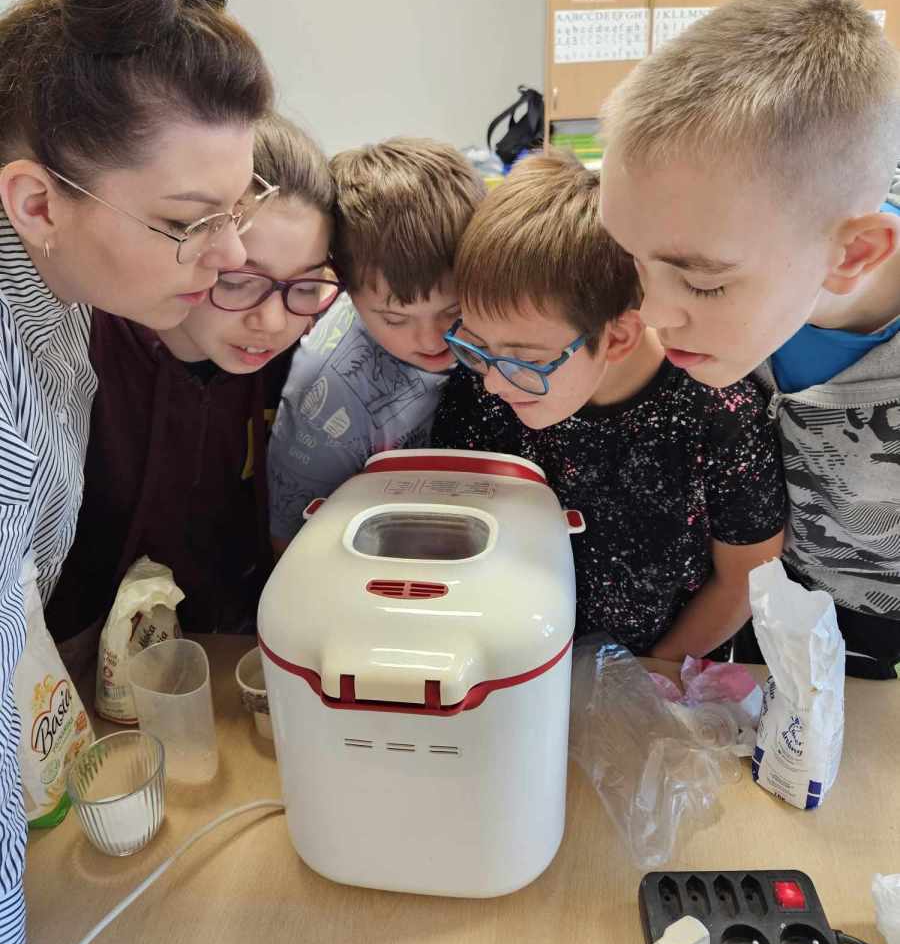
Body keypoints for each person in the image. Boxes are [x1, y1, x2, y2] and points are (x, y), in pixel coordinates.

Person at [0, 0, 273, 944]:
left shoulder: (61, 288)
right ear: (36, 202)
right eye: (186, 222)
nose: (234, 256)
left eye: (240, 207)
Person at [600, 0, 900, 676]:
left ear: (852, 255)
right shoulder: (736, 245)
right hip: (753, 614)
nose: (651, 315)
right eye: (633, 259)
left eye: (704, 282)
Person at [432, 152, 785, 657]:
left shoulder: (719, 416)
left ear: (618, 336)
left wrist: (654, 672)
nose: (492, 383)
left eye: (526, 360)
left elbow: (745, 577)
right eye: (476, 345)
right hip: (518, 655)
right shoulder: (479, 392)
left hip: (667, 662)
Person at [47, 114, 338, 654]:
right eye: (239, 280)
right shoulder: (84, 345)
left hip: (234, 650)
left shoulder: (306, 363)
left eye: (304, 286)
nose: (272, 321)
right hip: (66, 658)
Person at [268, 138, 485, 553]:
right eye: (395, 319)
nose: (433, 339)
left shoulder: (499, 322)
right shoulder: (329, 395)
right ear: (344, 287)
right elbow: (290, 540)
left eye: (453, 310)